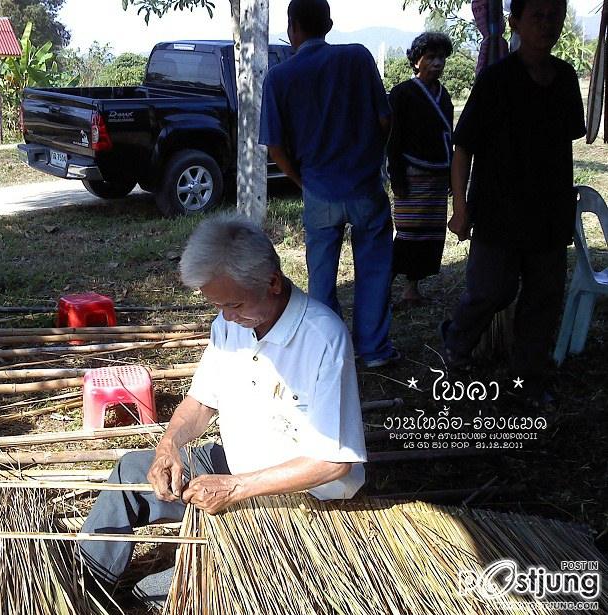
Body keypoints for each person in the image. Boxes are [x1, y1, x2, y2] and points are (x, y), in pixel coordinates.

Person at [79, 214, 367, 604]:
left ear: (273, 283)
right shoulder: (230, 323)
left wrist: (237, 488)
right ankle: (85, 591)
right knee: (130, 471)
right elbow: (200, 403)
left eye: (233, 304)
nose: (226, 317)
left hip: (299, 499)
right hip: (234, 469)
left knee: (179, 592)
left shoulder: (323, 337)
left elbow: (334, 462)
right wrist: (170, 446)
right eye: (218, 305)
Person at [441, 0, 585, 405]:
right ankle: (456, 345)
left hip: (550, 215)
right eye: (537, 16)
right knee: (490, 291)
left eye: (554, 16)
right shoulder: (496, 80)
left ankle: (529, 380)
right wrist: (461, 208)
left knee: (543, 301)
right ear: (515, 21)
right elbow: (463, 147)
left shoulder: (566, 78)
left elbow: (564, 145)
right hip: (498, 213)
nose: (547, 24)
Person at [259, 0, 396, 368]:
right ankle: (375, 350)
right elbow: (385, 121)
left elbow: (274, 145)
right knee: (374, 270)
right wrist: (371, 157)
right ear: (329, 24)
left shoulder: (280, 76)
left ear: (292, 28)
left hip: (318, 189)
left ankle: (330, 353)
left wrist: (301, 180)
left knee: (321, 279)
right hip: (365, 186)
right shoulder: (358, 58)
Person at [387, 32, 454, 309]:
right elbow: (393, 138)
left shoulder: (444, 95)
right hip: (412, 177)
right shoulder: (402, 93)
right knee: (407, 234)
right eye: (431, 57)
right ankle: (384, 287)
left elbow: (449, 135)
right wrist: (398, 177)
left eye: (441, 58)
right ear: (416, 61)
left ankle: (411, 290)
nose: (437, 63)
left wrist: (452, 173)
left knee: (429, 235)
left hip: (438, 176)